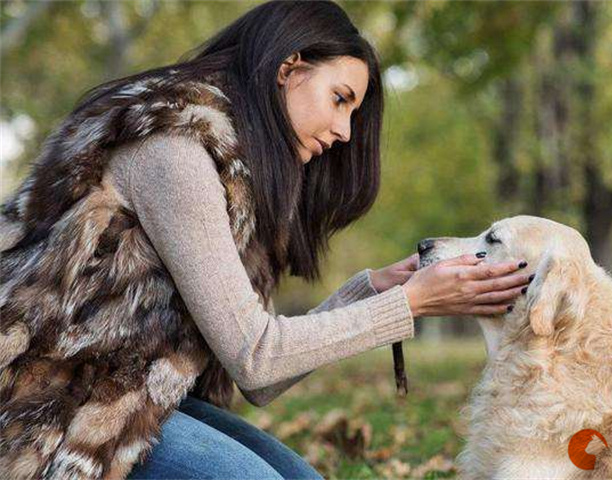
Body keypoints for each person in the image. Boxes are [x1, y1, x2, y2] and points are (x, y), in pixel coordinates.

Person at [0, 1, 530, 479]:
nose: (345, 131)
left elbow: (257, 380)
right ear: (289, 69)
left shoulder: (241, 182)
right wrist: (409, 302)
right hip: (48, 408)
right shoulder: (176, 152)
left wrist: (372, 292)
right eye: (340, 99)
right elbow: (257, 358)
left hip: (133, 397)